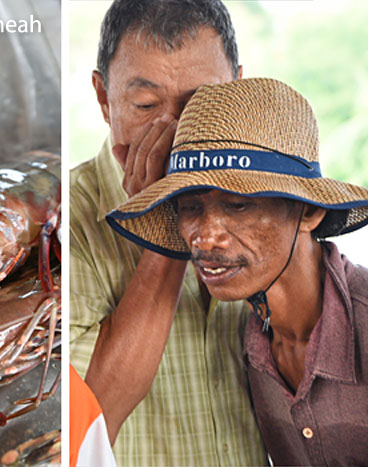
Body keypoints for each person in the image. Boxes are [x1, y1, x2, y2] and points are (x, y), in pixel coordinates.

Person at [107, 77, 368, 465]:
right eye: (191, 207)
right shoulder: (245, 338)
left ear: (309, 211)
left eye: (239, 206)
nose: (206, 238)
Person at [69, 0, 266, 464]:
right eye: (146, 105)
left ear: (236, 89)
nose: (177, 133)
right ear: (103, 98)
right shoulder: (65, 219)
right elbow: (88, 424)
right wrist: (165, 227)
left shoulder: (269, 201)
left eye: (201, 104)